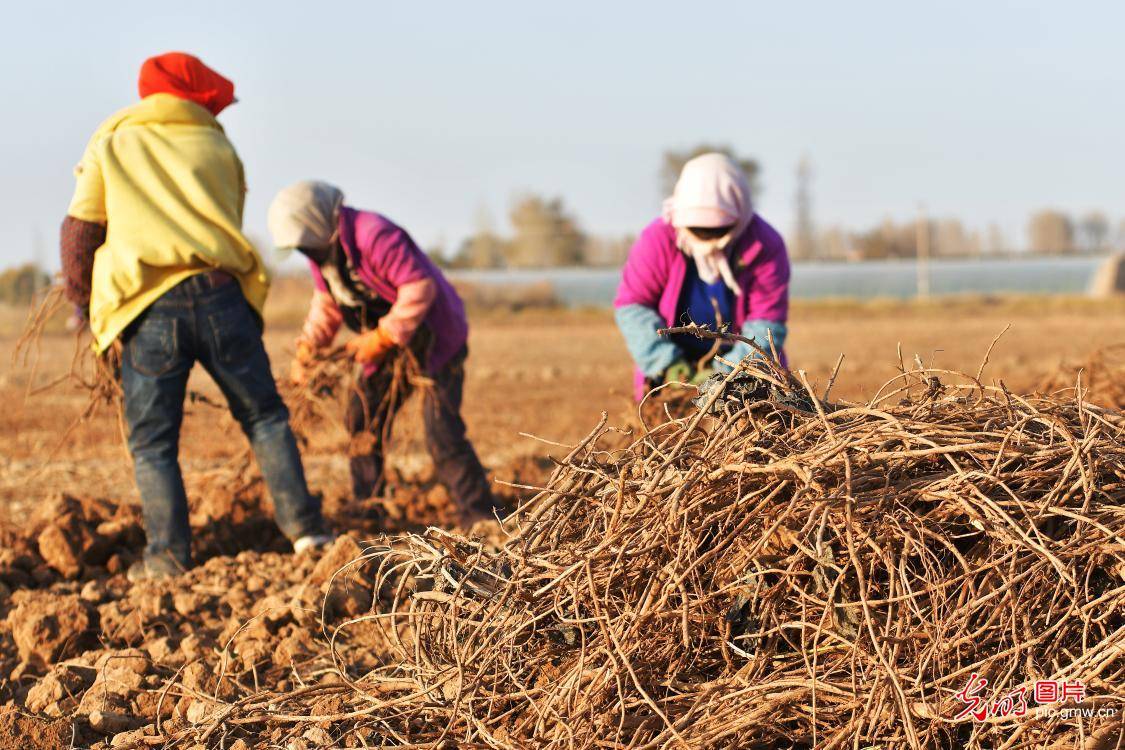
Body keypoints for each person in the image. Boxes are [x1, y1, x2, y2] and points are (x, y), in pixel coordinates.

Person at [61, 53, 331, 580]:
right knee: (265, 417)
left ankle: (167, 559)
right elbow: (226, 218)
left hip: (148, 305)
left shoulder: (112, 140)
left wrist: (84, 302)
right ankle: (308, 533)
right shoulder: (217, 144)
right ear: (196, 98)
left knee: (153, 442)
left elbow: (80, 234)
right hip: (221, 297)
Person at [267, 181, 499, 526]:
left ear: (317, 226)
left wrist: (383, 337)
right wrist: (308, 347)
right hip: (391, 350)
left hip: (435, 341)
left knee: (441, 431)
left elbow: (419, 287)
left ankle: (480, 515)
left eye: (304, 245)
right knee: (363, 420)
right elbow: (328, 303)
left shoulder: (373, 235)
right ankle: (368, 510)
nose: (305, 254)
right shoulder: (324, 255)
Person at [614, 153, 790, 400]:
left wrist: (724, 376)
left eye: (717, 229)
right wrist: (666, 365)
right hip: (669, 382)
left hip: (745, 382)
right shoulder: (657, 240)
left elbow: (766, 324)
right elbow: (632, 306)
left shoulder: (764, 245)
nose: (708, 238)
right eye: (699, 230)